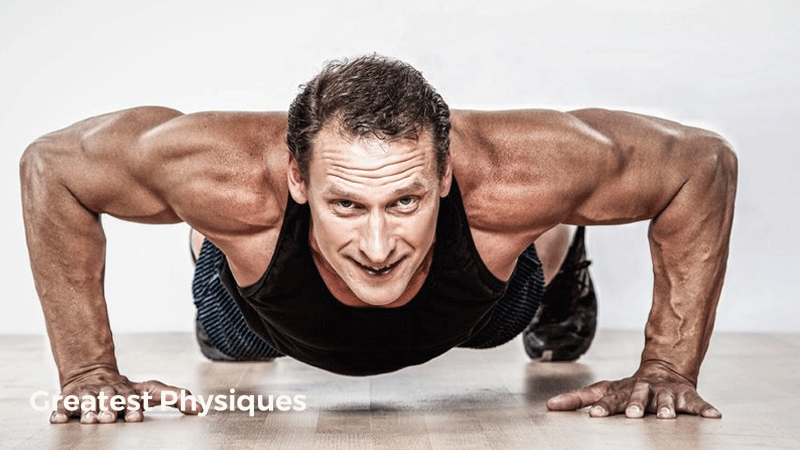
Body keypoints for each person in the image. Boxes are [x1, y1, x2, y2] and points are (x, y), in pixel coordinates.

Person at [20, 55, 736, 425]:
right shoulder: (228, 171)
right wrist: (89, 373)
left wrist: (667, 367)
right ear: (298, 177)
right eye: (344, 202)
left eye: (405, 199)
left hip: (480, 313)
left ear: (445, 173)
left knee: (531, 227)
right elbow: (54, 167)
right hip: (257, 317)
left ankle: (563, 251)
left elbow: (700, 164)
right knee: (235, 331)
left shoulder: (512, 169)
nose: (377, 242)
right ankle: (219, 253)